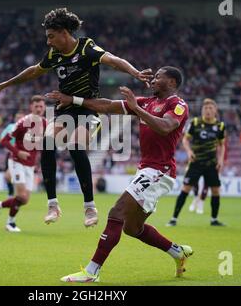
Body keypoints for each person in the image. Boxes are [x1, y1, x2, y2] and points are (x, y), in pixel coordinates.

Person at [0, 8, 152, 227]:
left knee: (75, 146)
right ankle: (53, 204)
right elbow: (34, 70)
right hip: (64, 109)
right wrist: (4, 85)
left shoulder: (86, 47)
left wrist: (135, 73)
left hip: (88, 108)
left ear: (64, 32)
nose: (48, 42)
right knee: (47, 142)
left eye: (50, 36)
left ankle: (90, 207)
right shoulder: (54, 56)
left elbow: (112, 60)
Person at [47, 66, 193, 283]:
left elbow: (165, 127)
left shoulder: (177, 104)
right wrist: (73, 99)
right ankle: (177, 252)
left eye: (159, 76)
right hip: (147, 170)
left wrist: (137, 109)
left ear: (172, 82)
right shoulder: (147, 102)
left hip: (160, 171)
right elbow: (106, 105)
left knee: (117, 212)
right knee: (133, 229)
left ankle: (91, 272)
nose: (153, 79)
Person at [0, 96, 46, 232]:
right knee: (21, 195)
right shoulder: (23, 122)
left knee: (25, 200)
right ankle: (10, 223)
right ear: (31, 107)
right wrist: (18, 152)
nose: (39, 109)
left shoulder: (44, 123)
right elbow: (4, 140)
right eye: (36, 106)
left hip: (30, 165)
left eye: (41, 106)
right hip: (16, 161)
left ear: (44, 108)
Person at [167, 98, 226, 227]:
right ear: (202, 110)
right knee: (185, 189)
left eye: (210, 108)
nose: (208, 111)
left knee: (216, 191)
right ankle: (173, 218)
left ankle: (214, 219)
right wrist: (189, 152)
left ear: (215, 110)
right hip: (196, 162)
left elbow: (222, 145)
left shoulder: (220, 126)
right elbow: (185, 140)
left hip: (211, 163)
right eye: (205, 108)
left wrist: (220, 160)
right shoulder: (195, 123)